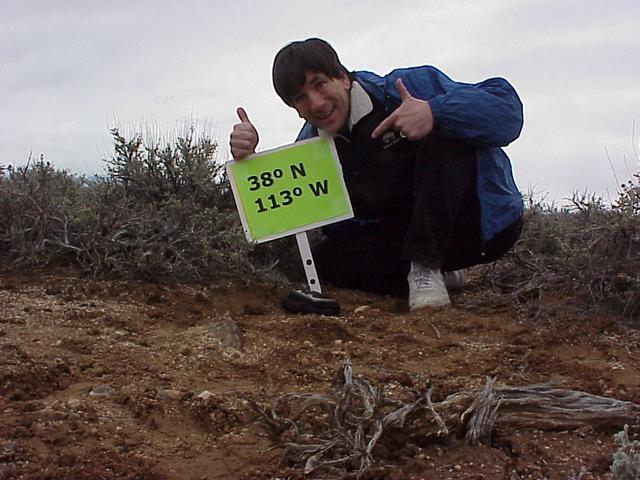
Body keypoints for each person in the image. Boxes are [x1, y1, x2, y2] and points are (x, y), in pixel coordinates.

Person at [229, 38, 524, 310]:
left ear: (344, 78)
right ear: (296, 109)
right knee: (328, 260)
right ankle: (437, 276)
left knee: (443, 136)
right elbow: (295, 213)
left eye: (320, 84)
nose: (316, 102)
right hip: (403, 232)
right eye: (301, 98)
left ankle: (426, 267)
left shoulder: (403, 88)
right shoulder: (311, 147)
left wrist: (436, 112)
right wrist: (253, 163)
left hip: (481, 228)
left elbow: (508, 111)